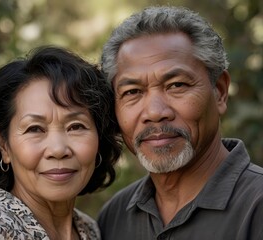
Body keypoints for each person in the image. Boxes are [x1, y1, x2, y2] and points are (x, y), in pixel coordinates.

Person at [97, 6, 263, 240]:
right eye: (133, 91)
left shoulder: (256, 206)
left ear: (220, 92)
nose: (155, 113)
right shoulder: (114, 218)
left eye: (177, 85)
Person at [0, 46, 122, 240]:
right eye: (35, 129)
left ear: (99, 138)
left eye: (76, 126)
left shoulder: (89, 230)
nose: (58, 150)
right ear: (3, 144)